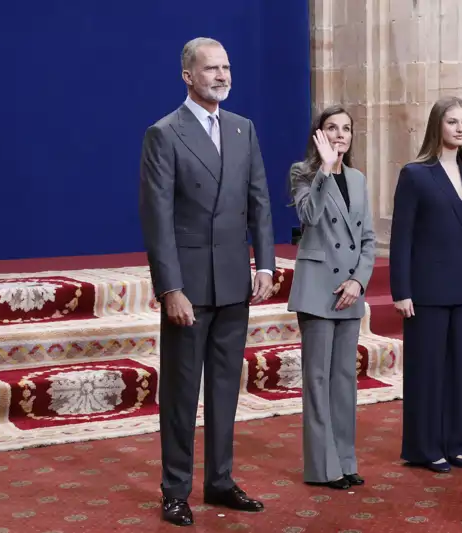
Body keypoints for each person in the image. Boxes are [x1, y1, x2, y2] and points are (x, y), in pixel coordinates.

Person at [139, 37, 276, 526]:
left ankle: (219, 481)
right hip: (189, 289)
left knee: (224, 389)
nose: (222, 75)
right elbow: (157, 219)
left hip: (235, 282)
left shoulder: (243, 129)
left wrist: (265, 264)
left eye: (227, 67)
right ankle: (176, 489)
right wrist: (170, 288)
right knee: (180, 394)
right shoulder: (165, 133)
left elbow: (259, 202)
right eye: (211, 68)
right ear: (187, 76)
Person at [389, 96, 462, 473]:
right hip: (426, 290)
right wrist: (401, 290)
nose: (460, 129)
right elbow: (402, 238)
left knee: (461, 370)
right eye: (452, 122)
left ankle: (454, 444)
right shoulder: (415, 174)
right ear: (438, 126)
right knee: (427, 371)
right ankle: (424, 447)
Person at [287, 105, 376, 489]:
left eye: (346, 129)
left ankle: (344, 460)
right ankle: (323, 468)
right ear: (318, 135)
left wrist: (359, 281)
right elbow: (309, 215)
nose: (340, 135)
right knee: (318, 380)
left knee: (344, 382)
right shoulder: (303, 173)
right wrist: (324, 169)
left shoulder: (358, 179)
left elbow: (369, 240)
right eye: (332, 128)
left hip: (349, 292)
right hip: (318, 290)